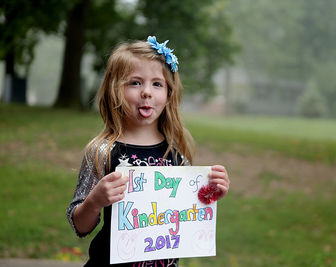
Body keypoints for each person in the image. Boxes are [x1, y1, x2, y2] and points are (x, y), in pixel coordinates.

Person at [66, 36, 230, 267]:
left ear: (169, 94)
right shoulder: (102, 151)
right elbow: (80, 227)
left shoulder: (176, 153)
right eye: (135, 83)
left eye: (157, 84)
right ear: (115, 90)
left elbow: (184, 214)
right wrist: (94, 201)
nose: (146, 92)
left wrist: (209, 194)